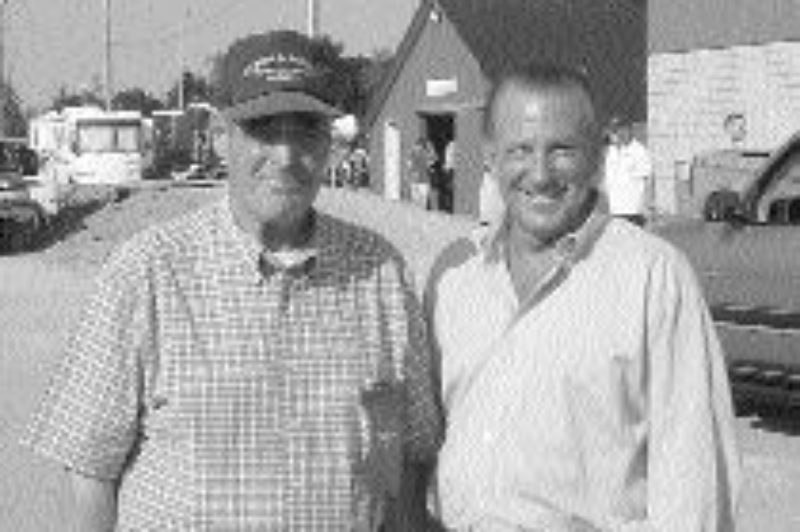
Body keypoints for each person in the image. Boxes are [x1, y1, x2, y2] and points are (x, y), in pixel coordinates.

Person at [23, 29, 442, 532]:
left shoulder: (381, 274)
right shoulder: (147, 272)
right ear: (222, 136)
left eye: (306, 130)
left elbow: (409, 460)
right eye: (264, 130)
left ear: (328, 140)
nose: (286, 157)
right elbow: (90, 472)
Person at [425, 62, 741, 531]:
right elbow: (426, 441)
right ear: (490, 157)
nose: (540, 172)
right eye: (519, 150)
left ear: (596, 156)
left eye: (562, 150)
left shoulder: (652, 278)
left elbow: (693, 479)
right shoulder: (455, 275)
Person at [603, 117, 653, 226]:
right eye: (614, 131)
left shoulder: (639, 152)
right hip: (612, 210)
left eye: (619, 130)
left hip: (632, 211)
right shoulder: (610, 152)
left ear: (628, 130)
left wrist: (647, 206)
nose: (615, 134)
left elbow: (648, 181)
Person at [407, 137, 436, 209]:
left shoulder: (412, 154)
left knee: (416, 203)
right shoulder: (424, 154)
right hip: (422, 182)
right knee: (421, 204)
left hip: (417, 181)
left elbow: (409, 166)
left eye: (417, 145)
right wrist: (431, 148)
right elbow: (433, 160)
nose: (416, 147)